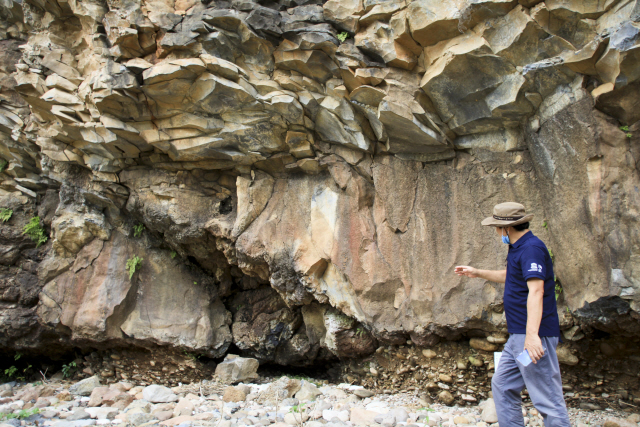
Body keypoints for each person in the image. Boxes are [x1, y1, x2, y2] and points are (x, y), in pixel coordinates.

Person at [454, 202, 570, 427]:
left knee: (548, 398)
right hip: (518, 336)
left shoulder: (532, 248)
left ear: (507, 228)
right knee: (503, 384)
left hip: (534, 335)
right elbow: (512, 275)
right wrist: (477, 273)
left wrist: (532, 336)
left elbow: (537, 290)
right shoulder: (518, 247)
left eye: (497, 227)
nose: (496, 232)